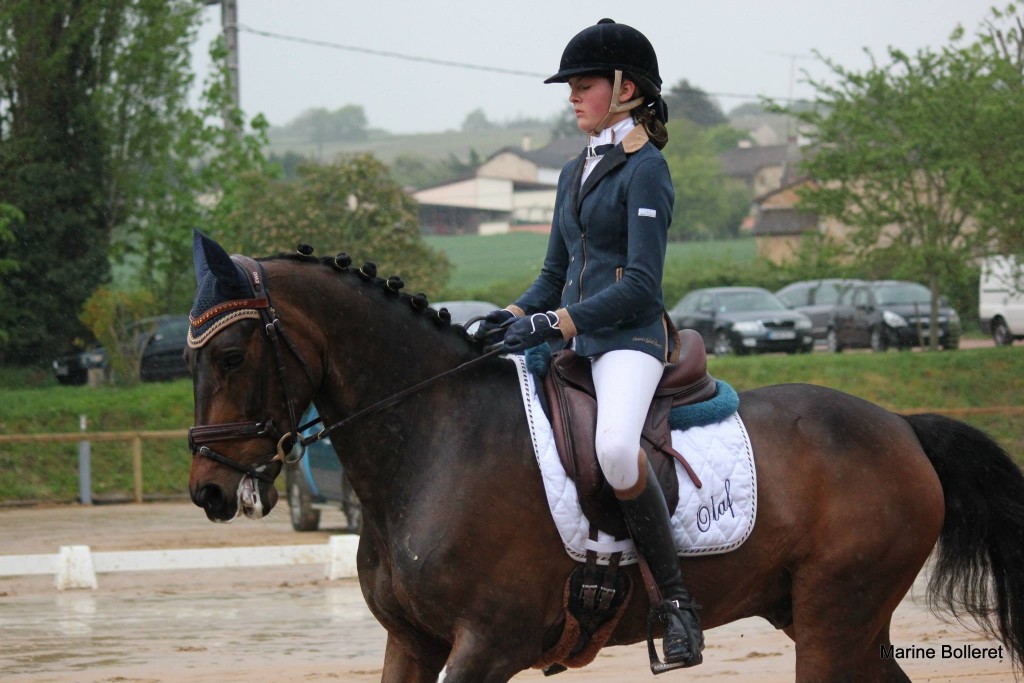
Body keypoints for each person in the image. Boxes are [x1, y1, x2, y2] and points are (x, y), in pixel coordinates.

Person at [478, 18, 704, 673]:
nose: (572, 96)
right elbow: (554, 273)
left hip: (629, 340)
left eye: (584, 85)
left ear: (625, 88)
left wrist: (558, 324)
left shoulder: (646, 170)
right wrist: (514, 314)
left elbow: (639, 284)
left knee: (613, 447)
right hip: (576, 340)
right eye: (570, 86)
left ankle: (677, 603)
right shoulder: (574, 171)